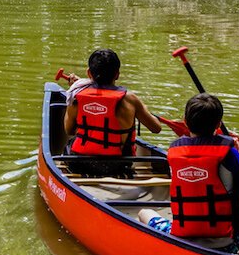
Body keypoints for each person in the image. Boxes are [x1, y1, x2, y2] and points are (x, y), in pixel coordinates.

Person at [155, 92, 239, 249]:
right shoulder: (229, 153)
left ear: (185, 122)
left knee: (144, 213)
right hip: (225, 244)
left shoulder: (174, 149)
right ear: (218, 124)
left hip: (181, 239)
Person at [62, 48, 163, 176]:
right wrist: (141, 106)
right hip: (117, 165)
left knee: (68, 145)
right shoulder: (130, 100)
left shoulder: (77, 97)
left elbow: (69, 130)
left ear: (89, 73)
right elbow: (156, 128)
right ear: (117, 74)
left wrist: (75, 89)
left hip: (81, 163)